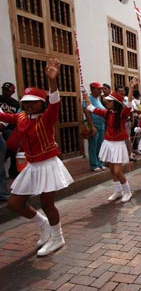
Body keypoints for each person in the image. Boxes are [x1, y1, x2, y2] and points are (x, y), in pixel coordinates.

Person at [0, 58, 74, 256]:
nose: (28, 106)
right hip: (32, 165)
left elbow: (55, 102)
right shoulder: (20, 117)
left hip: (48, 164)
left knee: (47, 203)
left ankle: (58, 238)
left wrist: (52, 81)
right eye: (26, 103)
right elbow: (5, 116)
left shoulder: (47, 117)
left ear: (42, 104)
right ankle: (43, 225)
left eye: (33, 103)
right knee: (14, 203)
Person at [85, 78, 138, 203]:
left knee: (117, 171)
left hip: (118, 144)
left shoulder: (122, 114)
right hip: (108, 143)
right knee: (109, 166)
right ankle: (117, 190)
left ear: (115, 103)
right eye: (106, 100)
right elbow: (90, 107)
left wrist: (130, 88)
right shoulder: (107, 113)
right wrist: (84, 94)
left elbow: (129, 103)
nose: (106, 102)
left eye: (109, 101)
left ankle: (127, 192)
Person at [83, 82, 106, 172]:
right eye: (98, 89)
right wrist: (92, 126)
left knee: (100, 145)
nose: (101, 91)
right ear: (92, 89)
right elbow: (87, 112)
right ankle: (94, 164)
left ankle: (100, 163)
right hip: (94, 125)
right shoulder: (88, 99)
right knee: (93, 145)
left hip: (101, 125)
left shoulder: (98, 99)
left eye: (101, 89)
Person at [1, 82, 20, 180]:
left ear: (13, 91)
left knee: (14, 146)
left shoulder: (15, 103)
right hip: (2, 127)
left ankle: (13, 171)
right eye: (4, 89)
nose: (5, 91)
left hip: (9, 128)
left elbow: (16, 118)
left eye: (7, 90)